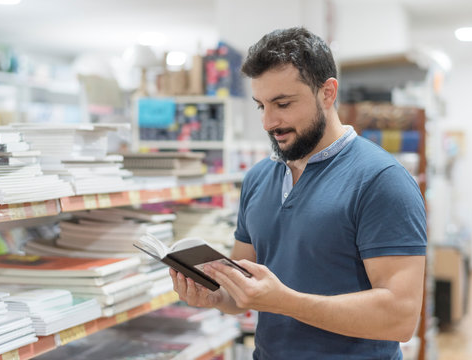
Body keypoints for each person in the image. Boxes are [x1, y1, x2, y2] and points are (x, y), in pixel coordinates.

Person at [170, 27, 427, 359]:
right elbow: (245, 288)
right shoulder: (259, 178)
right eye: (261, 105)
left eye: (283, 103)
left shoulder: (381, 180)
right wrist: (217, 296)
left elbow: (400, 317)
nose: (268, 121)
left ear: (328, 93)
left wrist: (284, 301)